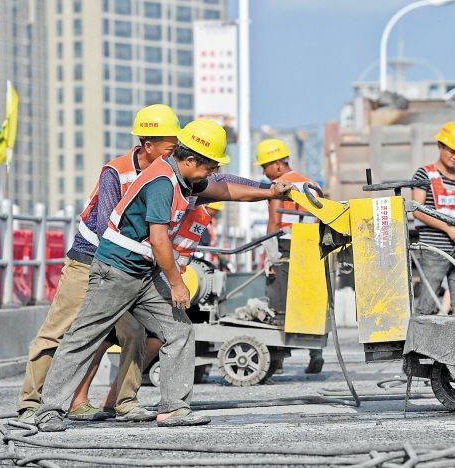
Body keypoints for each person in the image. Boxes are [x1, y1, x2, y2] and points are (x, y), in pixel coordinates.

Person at [34, 119, 292, 432]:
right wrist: (177, 283)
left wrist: (270, 192)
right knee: (84, 336)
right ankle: (49, 410)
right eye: (209, 166)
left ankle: (174, 408)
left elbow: (225, 188)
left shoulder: (186, 179)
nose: (212, 173)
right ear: (191, 160)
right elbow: (159, 241)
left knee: (179, 331)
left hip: (143, 273)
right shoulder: (161, 182)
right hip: (116, 270)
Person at [17, 104, 181, 424]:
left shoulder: (164, 174)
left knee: (133, 331)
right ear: (148, 145)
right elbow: (108, 224)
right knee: (56, 333)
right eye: (170, 148)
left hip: (119, 266)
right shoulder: (116, 171)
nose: (173, 155)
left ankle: (125, 402)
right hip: (88, 263)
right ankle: (30, 404)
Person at [256, 138, 325, 375]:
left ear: (277, 164)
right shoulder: (311, 184)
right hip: (309, 247)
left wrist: (269, 256)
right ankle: (316, 353)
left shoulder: (278, 186)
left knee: (278, 303)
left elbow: (274, 222)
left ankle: (276, 361)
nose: (264, 173)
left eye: (264, 166)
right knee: (309, 300)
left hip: (285, 248)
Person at [411, 121, 455, 316]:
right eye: (451, 151)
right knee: (427, 303)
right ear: (440, 146)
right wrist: (449, 229)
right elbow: (418, 211)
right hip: (433, 250)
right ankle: (419, 344)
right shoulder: (424, 174)